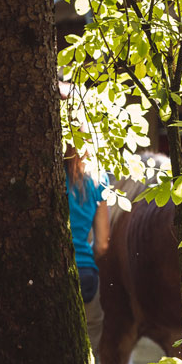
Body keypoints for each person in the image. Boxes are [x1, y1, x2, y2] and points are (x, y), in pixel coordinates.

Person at [65, 143, 110, 347]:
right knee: (88, 353)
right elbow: (101, 244)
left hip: (48, 270)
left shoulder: (46, 172)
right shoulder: (98, 178)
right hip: (85, 274)